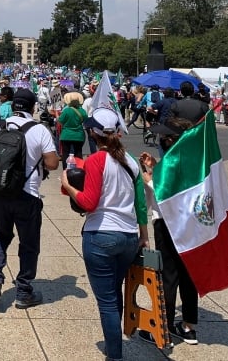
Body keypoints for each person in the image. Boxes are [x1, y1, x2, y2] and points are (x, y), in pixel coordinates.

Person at [60, 108, 149, 361]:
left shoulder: (97, 160)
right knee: (115, 291)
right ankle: (115, 348)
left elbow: (88, 202)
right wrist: (144, 234)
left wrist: (67, 185)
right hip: (129, 235)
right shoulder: (130, 160)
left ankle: (115, 355)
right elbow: (140, 202)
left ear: (92, 132)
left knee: (107, 300)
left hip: (101, 235)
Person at [0, 89, 59, 308]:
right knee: (29, 243)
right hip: (27, 194)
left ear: (12, 104)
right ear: (33, 107)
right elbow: (53, 164)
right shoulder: (39, 130)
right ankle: (24, 291)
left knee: (0, 235)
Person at [138, 117, 200, 346]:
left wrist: (148, 179)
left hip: (168, 223)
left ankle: (161, 326)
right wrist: (155, 168)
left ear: (172, 139)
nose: (161, 140)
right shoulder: (194, 159)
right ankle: (188, 326)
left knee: (168, 275)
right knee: (188, 274)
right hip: (190, 224)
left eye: (164, 137)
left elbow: (166, 194)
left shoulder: (174, 159)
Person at [57, 91, 88, 169]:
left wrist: (57, 115)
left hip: (66, 135)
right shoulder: (82, 111)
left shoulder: (66, 111)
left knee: (65, 153)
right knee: (78, 153)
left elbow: (60, 121)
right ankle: (79, 169)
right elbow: (85, 119)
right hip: (78, 135)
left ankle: (65, 170)